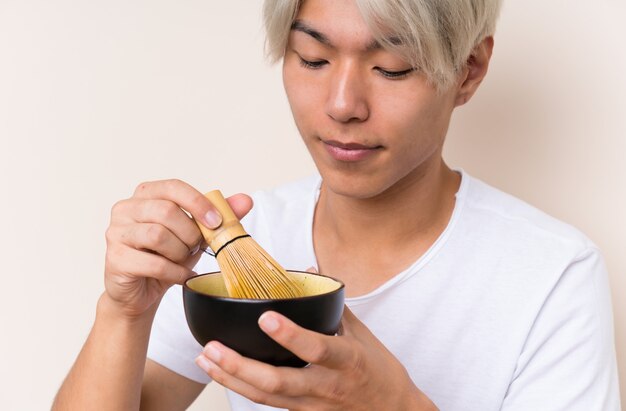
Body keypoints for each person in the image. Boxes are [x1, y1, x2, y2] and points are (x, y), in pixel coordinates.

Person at [53, 0, 621, 410]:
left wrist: (394, 406)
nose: (343, 104)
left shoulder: (551, 272)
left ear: (468, 71)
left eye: (391, 68)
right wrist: (122, 313)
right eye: (313, 59)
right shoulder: (241, 246)